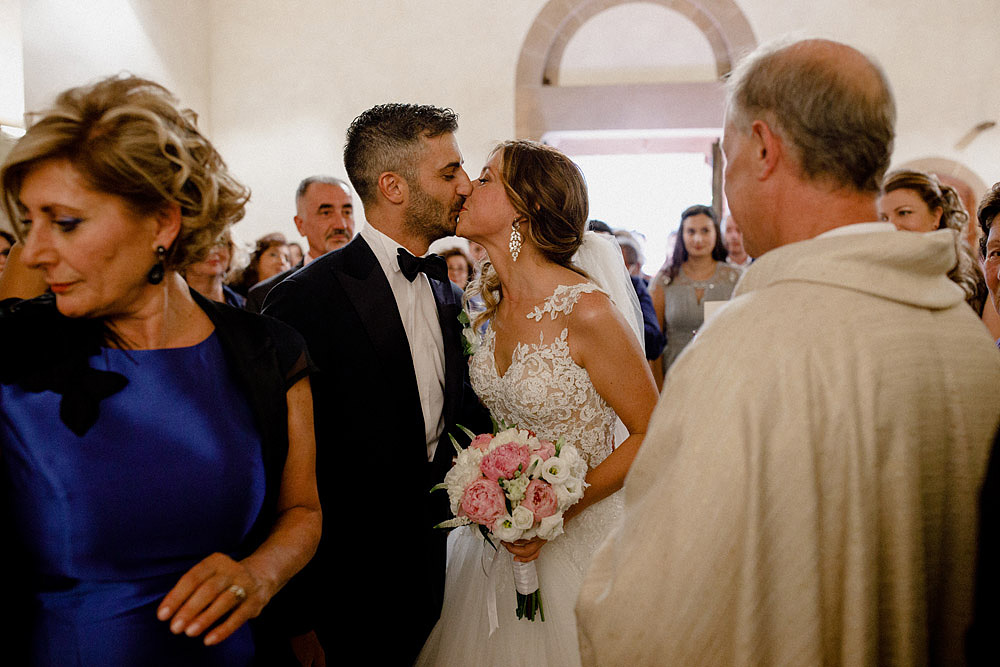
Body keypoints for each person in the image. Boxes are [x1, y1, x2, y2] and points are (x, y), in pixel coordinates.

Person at [576, 39, 1000, 666]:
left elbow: (650, 619)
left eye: (729, 154)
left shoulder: (749, 346)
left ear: (765, 147)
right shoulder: (963, 334)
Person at [0, 75, 321, 665]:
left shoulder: (267, 352)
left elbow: (300, 511)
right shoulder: (11, 355)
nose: (35, 250)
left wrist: (260, 575)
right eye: (30, 220)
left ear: (161, 223)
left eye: (65, 222)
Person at [262, 103, 490, 664]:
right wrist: (297, 618)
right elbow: (278, 466)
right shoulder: (303, 300)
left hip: (442, 574)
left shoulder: (448, 294)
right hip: (345, 595)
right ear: (393, 186)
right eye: (449, 172)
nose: (465, 185)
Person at [417, 140, 658, 666]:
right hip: (500, 546)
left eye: (484, 178)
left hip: (583, 536)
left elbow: (651, 432)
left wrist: (558, 509)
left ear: (523, 209)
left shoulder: (586, 311)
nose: (467, 187)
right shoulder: (487, 306)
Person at [650, 204, 741, 382]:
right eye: (691, 232)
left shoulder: (736, 278)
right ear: (682, 236)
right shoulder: (665, 280)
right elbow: (654, 343)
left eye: (705, 231)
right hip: (675, 376)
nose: (698, 239)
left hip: (723, 375)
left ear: (716, 233)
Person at [879, 168, 987, 314]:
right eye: (884, 218)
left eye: (904, 212)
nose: (891, 226)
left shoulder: (971, 283)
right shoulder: (876, 278)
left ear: (936, 216)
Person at [245, 176, 354, 313]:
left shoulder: (379, 280)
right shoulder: (267, 295)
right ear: (300, 225)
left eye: (347, 212)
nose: (341, 225)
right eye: (326, 213)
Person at [183, 227, 245, 308]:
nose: (214, 250)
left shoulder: (243, 305)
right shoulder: (169, 304)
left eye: (220, 243)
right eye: (202, 245)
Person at [229, 232, 290, 296]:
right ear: (257, 260)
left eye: (287, 259)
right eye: (274, 255)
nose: (282, 262)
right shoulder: (236, 297)